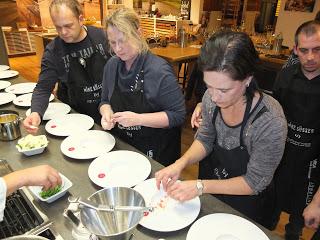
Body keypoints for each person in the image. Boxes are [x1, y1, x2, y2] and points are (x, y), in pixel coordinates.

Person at [155, 31, 287, 228]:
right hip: (212, 193)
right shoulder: (210, 98)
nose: (214, 97)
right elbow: (205, 139)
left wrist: (200, 186)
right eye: (209, 86)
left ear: (247, 79)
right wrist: (181, 163)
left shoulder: (270, 121)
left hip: (248, 206)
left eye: (224, 90)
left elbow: (254, 182)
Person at [99, 8, 186, 167]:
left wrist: (138, 119)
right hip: (125, 146)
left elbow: (178, 115)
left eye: (123, 40)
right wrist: (106, 113)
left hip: (156, 152)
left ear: (139, 33)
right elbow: (104, 100)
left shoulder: (159, 71)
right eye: (113, 42)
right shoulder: (111, 66)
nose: (118, 49)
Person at [23, 0, 110, 132]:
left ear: (81, 19)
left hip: (108, 109)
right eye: (58, 27)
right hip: (75, 115)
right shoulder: (53, 52)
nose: (63, 32)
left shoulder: (103, 37)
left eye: (68, 26)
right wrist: (36, 112)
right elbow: (43, 88)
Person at [272, 20, 320, 240]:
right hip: (283, 154)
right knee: (272, 203)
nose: (310, 57)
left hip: (313, 161)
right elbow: (274, 116)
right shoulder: (285, 76)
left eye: (317, 50)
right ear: (295, 50)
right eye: (304, 50)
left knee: (300, 212)